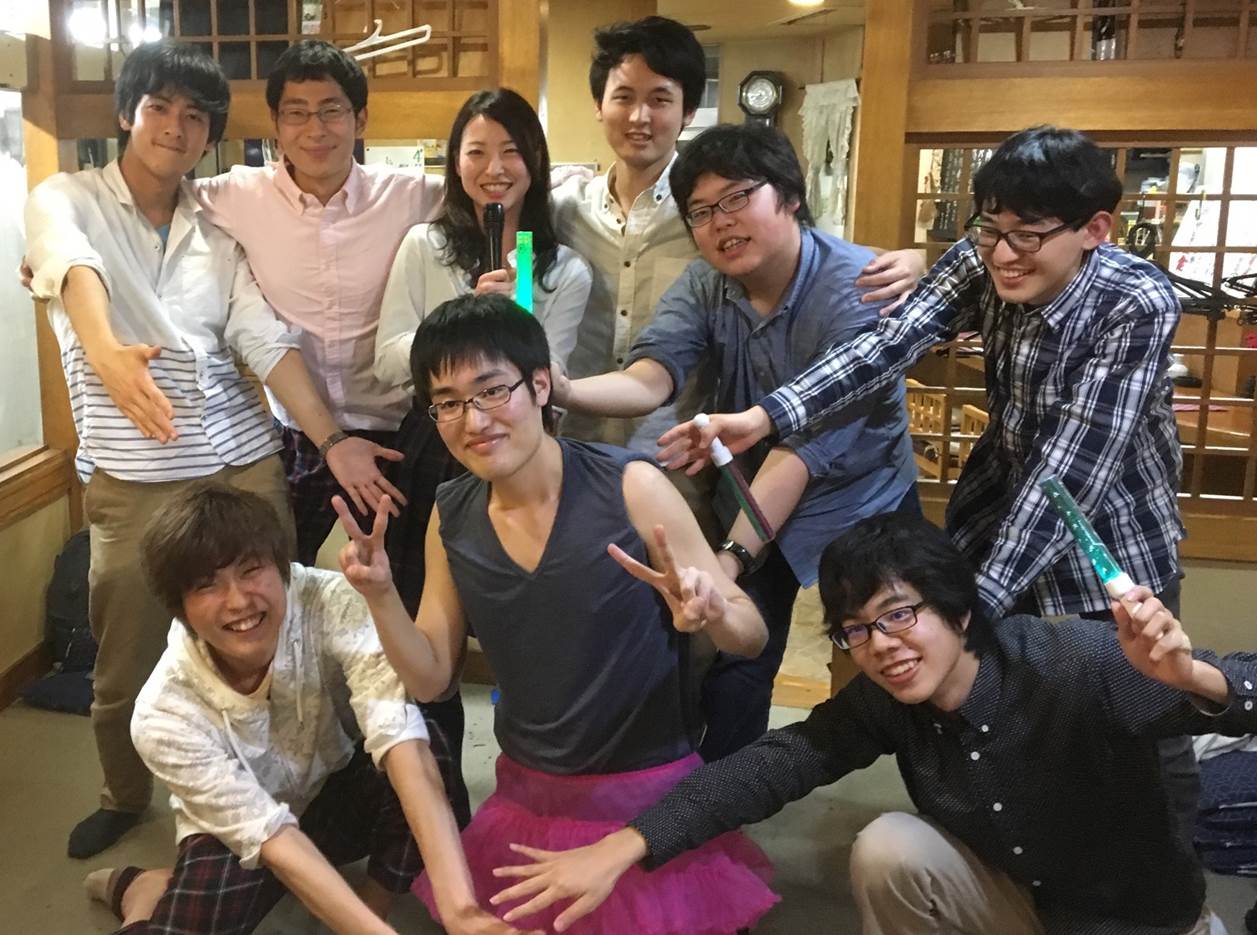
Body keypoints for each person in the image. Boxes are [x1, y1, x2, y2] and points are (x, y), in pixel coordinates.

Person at [657, 125, 1198, 825]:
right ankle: (1006, 855)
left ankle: (1173, 871)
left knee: (1145, 709)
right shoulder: (982, 258)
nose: (1002, 254)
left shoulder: (1135, 301)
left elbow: (1071, 469)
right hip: (1001, 508)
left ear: (1095, 229)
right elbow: (885, 345)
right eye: (989, 229)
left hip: (1114, 533)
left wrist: (974, 608)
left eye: (1027, 236)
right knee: (999, 706)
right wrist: (764, 417)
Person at [491, 512, 1257, 935]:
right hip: (1023, 909)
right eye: (856, 629)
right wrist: (626, 843)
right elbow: (773, 763)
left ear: (958, 609)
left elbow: (1244, 690)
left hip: (1142, 923)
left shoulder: (1073, 662)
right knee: (890, 846)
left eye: (898, 614)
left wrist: (1189, 675)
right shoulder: (888, 700)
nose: (881, 644)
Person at [23, 40, 396, 859]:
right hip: (134, 478)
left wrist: (333, 439)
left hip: (240, 464)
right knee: (124, 656)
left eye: (196, 116)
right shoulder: (68, 197)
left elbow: (263, 340)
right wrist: (107, 353)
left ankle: (287, 786)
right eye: (159, 107)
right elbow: (66, 263)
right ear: (127, 113)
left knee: (274, 635)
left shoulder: (215, 226)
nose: (176, 126)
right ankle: (124, 794)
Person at [337, 293, 777, 934]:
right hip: (527, 803)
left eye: (492, 391)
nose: (473, 420)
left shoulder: (631, 485)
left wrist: (712, 612)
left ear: (540, 384)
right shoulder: (450, 515)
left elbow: (751, 635)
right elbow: (432, 680)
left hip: (649, 800)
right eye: (448, 403)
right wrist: (380, 595)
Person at [555, 123, 919, 760]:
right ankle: (724, 800)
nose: (719, 222)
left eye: (737, 198)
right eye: (700, 211)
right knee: (738, 662)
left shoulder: (860, 286)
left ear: (791, 196)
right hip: (757, 493)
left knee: (900, 648)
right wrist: (562, 389)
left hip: (862, 501)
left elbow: (805, 451)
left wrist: (725, 567)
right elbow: (652, 376)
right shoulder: (706, 284)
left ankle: (939, 793)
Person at [84, 483, 530, 935]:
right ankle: (140, 892)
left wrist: (462, 912)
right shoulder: (163, 714)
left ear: (281, 567)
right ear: (179, 607)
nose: (238, 601)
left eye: (251, 570)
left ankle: (372, 907)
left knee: (427, 744)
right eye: (206, 585)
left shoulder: (331, 600)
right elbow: (271, 837)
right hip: (238, 828)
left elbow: (398, 736)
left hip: (334, 789)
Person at [551, 15, 922, 536]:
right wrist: (554, 386)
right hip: (590, 449)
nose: (639, 116)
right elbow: (650, 367)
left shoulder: (724, 222)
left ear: (686, 111)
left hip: (716, 469)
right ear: (598, 104)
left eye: (660, 99)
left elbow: (824, 256)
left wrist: (914, 260)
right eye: (623, 97)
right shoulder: (562, 210)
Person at [192, 38, 443, 566]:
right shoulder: (238, 195)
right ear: (276, 124)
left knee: (405, 577)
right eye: (297, 113)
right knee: (285, 571)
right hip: (299, 434)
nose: (315, 130)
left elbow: (508, 191)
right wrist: (49, 260)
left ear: (360, 119)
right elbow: (147, 202)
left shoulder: (412, 195)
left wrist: (528, 261)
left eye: (331, 111)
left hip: (400, 428)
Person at [373, 85, 591, 616]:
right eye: (476, 152)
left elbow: (552, 379)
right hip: (438, 432)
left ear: (535, 160)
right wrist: (461, 322)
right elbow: (385, 361)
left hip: (522, 441)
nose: (494, 168)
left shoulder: (564, 269)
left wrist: (515, 325)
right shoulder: (425, 245)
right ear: (456, 163)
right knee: (424, 596)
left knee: (518, 604)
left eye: (511, 151)